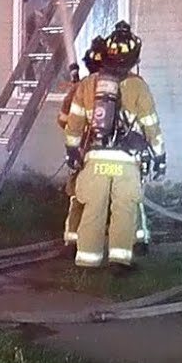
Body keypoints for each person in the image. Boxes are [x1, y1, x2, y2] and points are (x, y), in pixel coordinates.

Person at [64, 21, 166, 270]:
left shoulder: (88, 85)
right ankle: (120, 261)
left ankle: (87, 262)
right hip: (126, 161)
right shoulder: (138, 85)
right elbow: (151, 125)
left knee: (93, 210)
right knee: (124, 209)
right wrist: (160, 156)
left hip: (95, 158)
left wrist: (72, 151)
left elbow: (75, 123)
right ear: (133, 58)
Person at [60, 37, 105, 247]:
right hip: (112, 151)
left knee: (78, 195)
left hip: (83, 151)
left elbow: (63, 120)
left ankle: (72, 239)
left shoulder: (81, 88)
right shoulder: (121, 85)